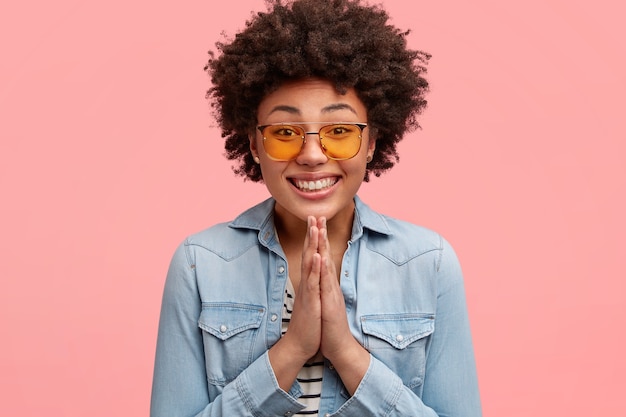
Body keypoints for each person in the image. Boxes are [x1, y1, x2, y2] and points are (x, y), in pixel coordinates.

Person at [150, 0, 482, 416]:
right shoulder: (200, 264)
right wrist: (291, 351)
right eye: (285, 132)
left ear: (373, 140)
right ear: (254, 144)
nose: (311, 155)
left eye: (339, 131)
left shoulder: (428, 264)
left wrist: (346, 352)